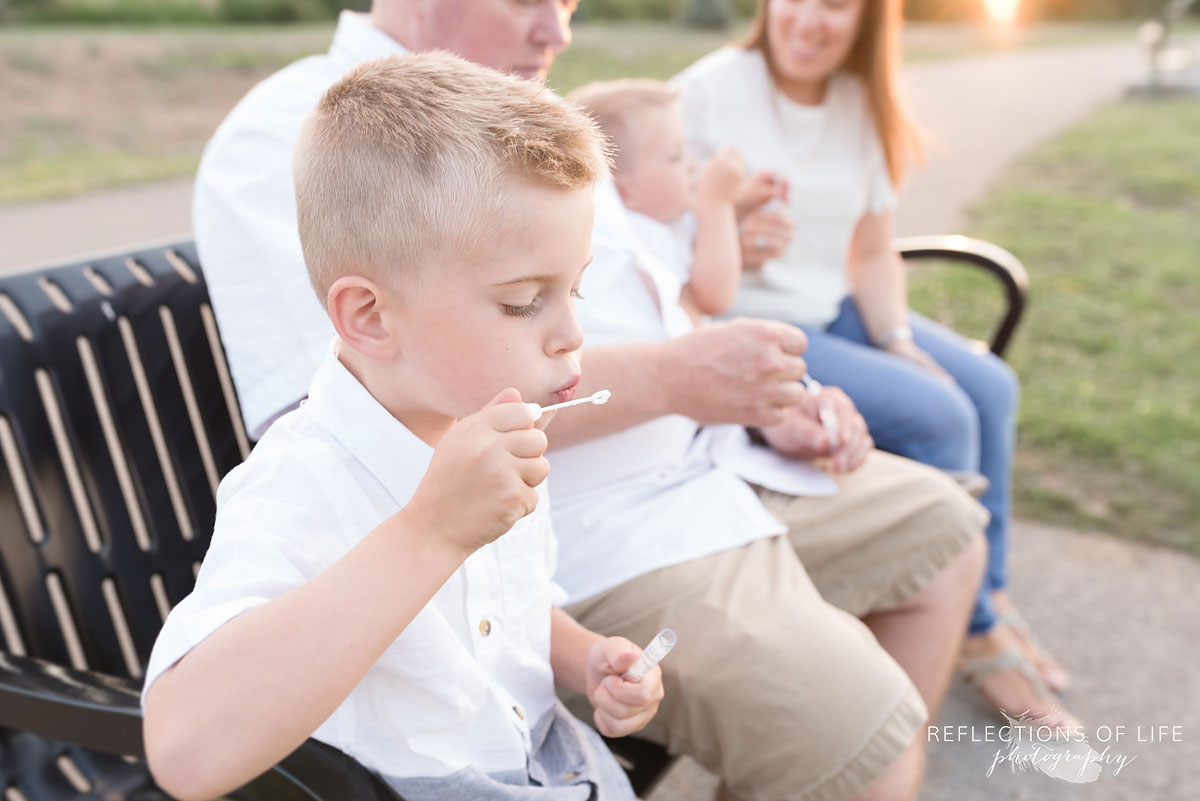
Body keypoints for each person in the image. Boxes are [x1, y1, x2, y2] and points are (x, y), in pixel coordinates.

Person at [194, 3, 990, 799]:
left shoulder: (516, 115)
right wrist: (677, 377)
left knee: (951, 535)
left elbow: (638, 295)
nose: (557, 31)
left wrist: (756, 396)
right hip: (611, 531)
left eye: (568, 3)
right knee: (872, 739)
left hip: (691, 479)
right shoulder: (302, 139)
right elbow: (354, 431)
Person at [141, 52, 664, 801]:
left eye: (574, 287)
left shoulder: (488, 430)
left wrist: (583, 659)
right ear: (371, 317)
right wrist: (429, 529)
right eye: (523, 301)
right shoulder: (300, 487)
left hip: (550, 760)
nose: (573, 333)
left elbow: (505, 612)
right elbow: (186, 751)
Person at [672, 0, 1076, 725]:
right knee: (940, 412)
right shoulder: (709, 90)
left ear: (867, 19)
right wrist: (724, 232)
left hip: (834, 305)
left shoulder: (863, 103)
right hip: (752, 320)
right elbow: (645, 226)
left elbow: (869, 249)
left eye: (835, 3)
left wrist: (894, 338)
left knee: (988, 387)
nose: (808, 19)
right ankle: (980, 633)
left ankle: (995, 593)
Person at [567, 78, 744, 322]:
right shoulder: (643, 237)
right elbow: (714, 298)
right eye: (676, 155)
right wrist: (717, 202)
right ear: (624, 193)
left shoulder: (666, 217)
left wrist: (743, 199)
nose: (692, 164)